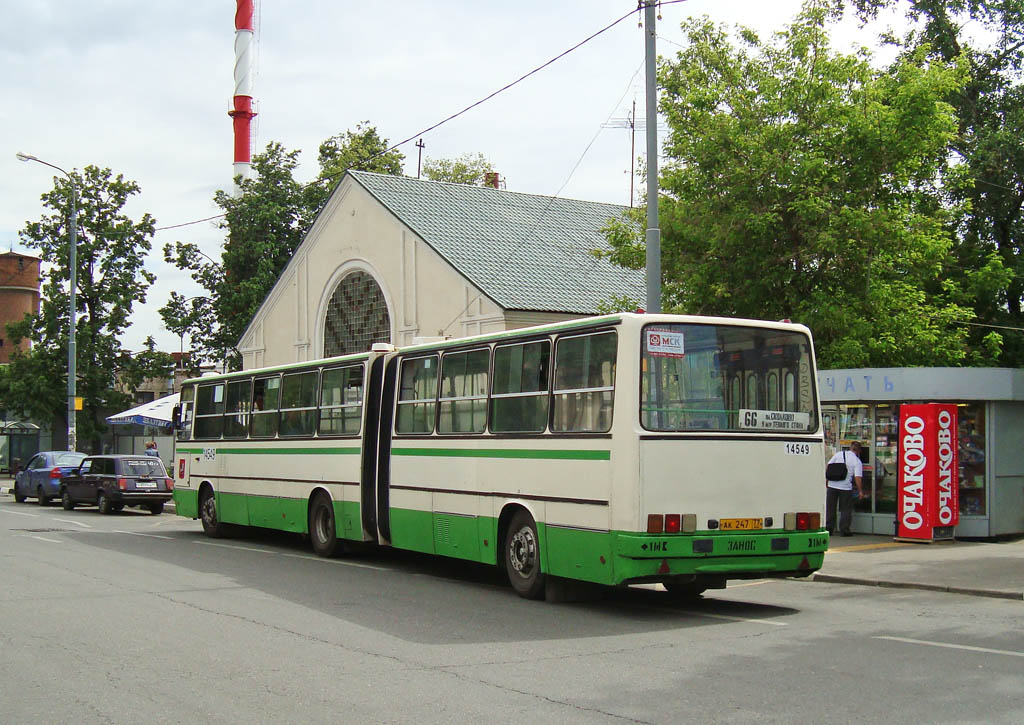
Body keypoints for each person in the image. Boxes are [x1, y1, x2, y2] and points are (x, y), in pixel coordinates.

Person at [825, 441, 864, 537]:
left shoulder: (838, 454)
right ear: (859, 451)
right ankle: (844, 529)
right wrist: (860, 491)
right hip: (845, 488)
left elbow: (828, 466)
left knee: (830, 508)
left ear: (850, 447)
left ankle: (829, 528)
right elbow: (857, 478)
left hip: (832, 486)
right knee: (845, 509)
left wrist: (827, 480)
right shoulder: (856, 461)